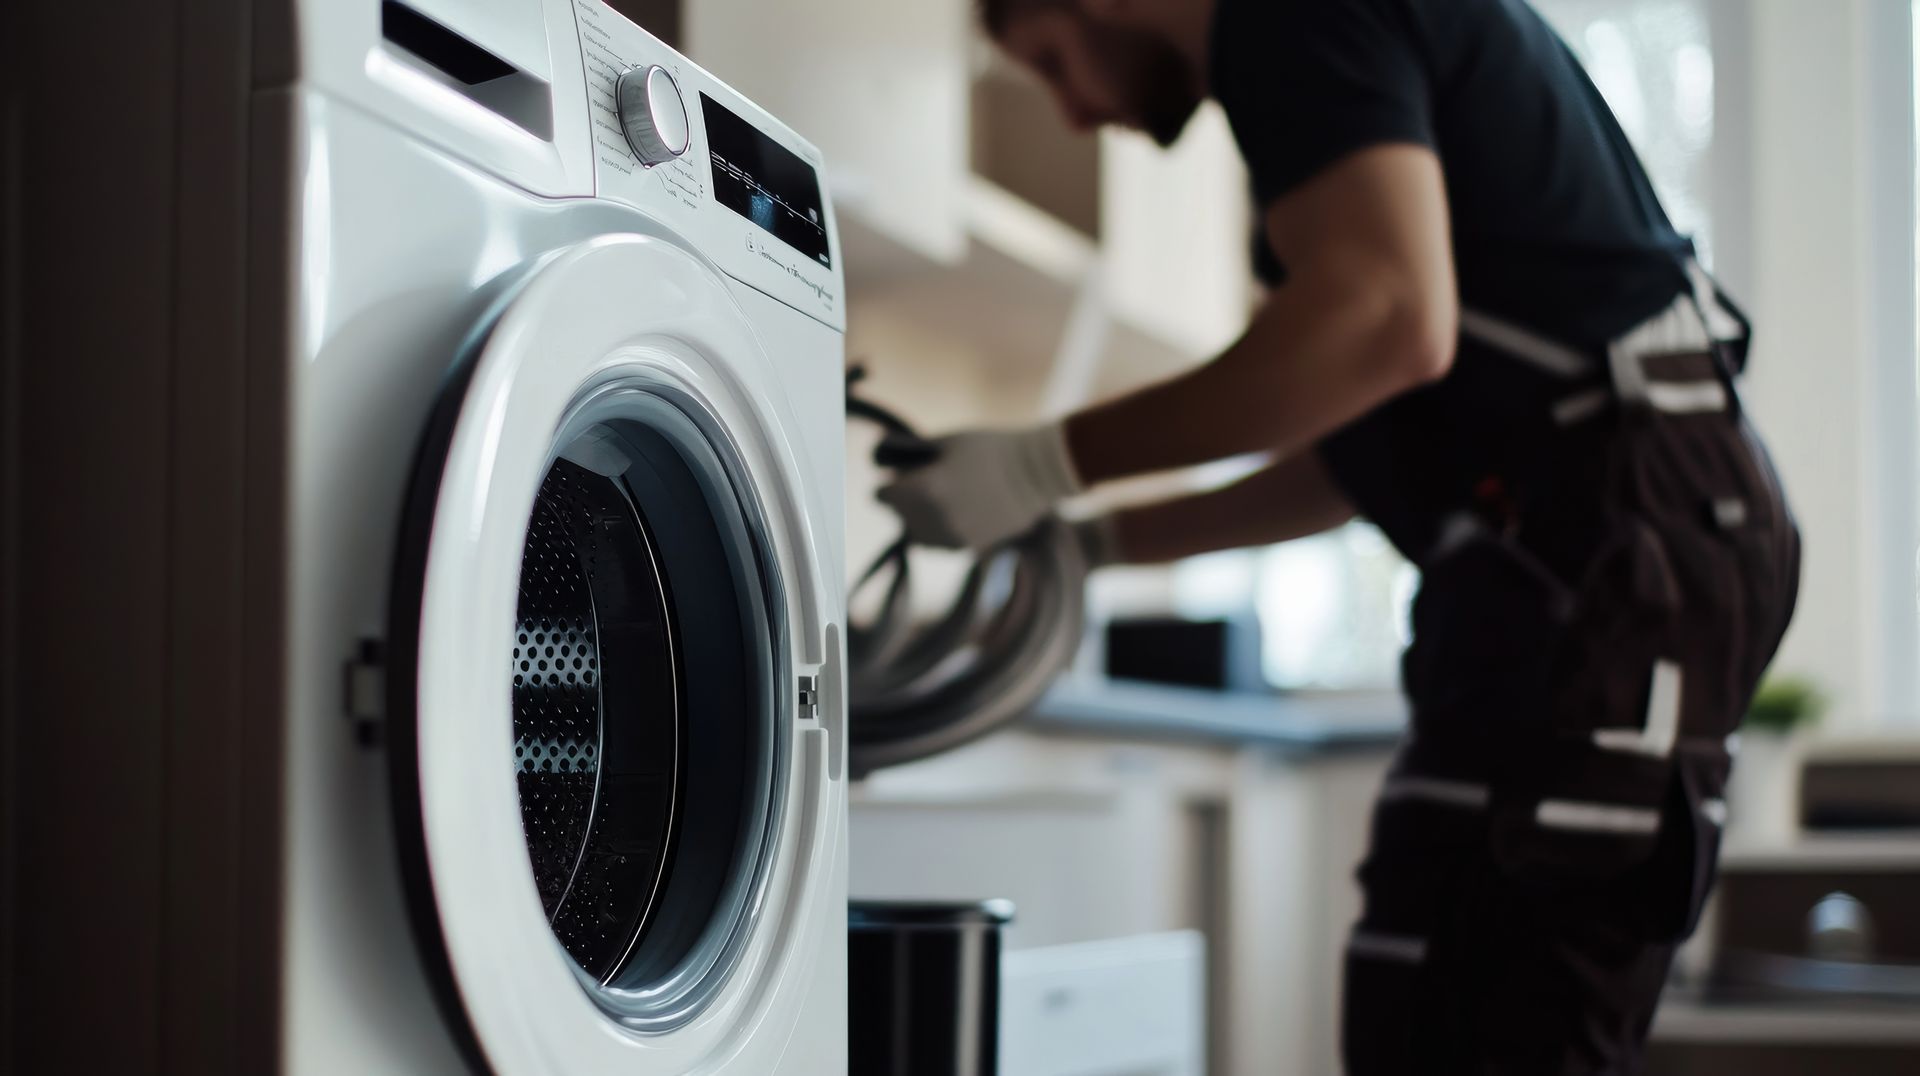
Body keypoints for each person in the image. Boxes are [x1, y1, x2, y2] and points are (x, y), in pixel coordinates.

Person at [876, 0, 1802, 1071]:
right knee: (1451, 983)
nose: (1074, 114)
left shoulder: (1289, 25)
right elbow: (1357, 452)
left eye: (1050, 59)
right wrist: (1096, 542)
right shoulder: (1315, 74)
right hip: (1627, 540)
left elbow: (1389, 319)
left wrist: (1042, 461)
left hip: (1617, 544)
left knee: (1478, 1005)